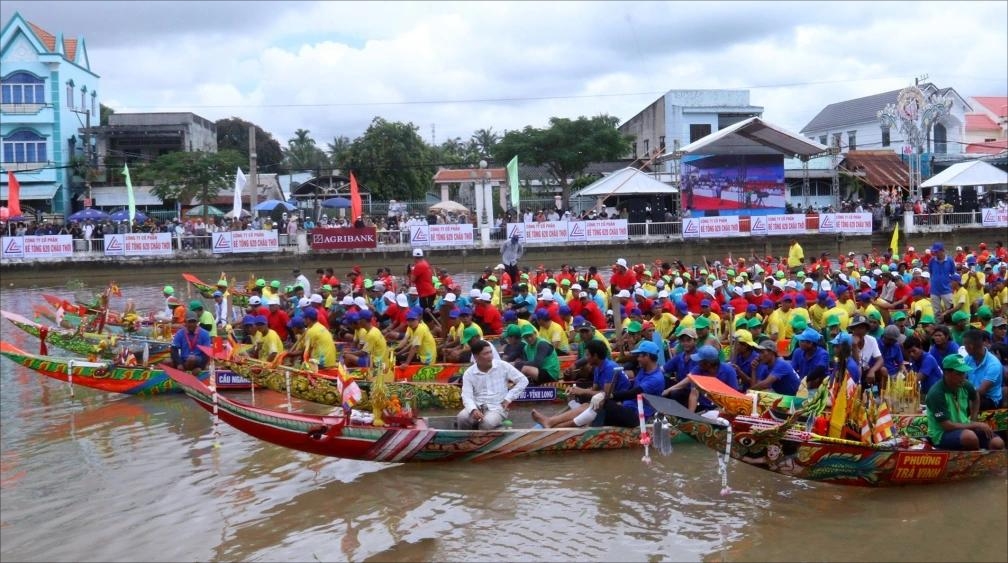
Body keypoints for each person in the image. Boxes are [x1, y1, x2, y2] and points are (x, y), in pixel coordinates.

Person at [531, 339, 629, 428]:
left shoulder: (609, 367)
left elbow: (606, 395)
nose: (585, 358)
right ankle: (552, 424)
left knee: (588, 406)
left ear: (595, 356)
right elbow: (594, 390)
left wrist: (581, 391)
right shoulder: (598, 367)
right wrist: (575, 390)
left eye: (587, 355)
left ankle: (552, 423)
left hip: (622, 405)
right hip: (609, 403)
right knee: (586, 405)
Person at [925, 354, 1004, 451]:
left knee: (998, 443)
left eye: (964, 373)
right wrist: (976, 424)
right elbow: (947, 426)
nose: (963, 377)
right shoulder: (936, 394)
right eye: (958, 374)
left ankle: (988, 464)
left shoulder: (965, 384)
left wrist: (973, 418)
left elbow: (976, 397)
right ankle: (975, 462)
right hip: (942, 434)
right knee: (970, 437)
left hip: (965, 427)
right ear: (946, 373)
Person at [456, 340, 529, 430]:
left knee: (486, 423)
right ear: (476, 357)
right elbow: (467, 395)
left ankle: (498, 430)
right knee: (462, 418)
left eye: (491, 352)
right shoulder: (469, 373)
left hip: (497, 407)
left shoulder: (503, 366)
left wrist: (508, 398)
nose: (490, 356)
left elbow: (523, 380)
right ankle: (465, 441)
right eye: (486, 353)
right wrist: (473, 409)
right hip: (477, 405)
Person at [597, 340, 666, 426]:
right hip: (631, 407)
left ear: (647, 356)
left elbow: (633, 393)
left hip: (641, 415)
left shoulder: (656, 378)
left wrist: (609, 396)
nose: (638, 359)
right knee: (604, 406)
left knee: (606, 405)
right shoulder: (643, 370)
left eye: (640, 356)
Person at [962, 328, 1005, 410]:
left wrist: (961, 397)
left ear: (971, 347)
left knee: (962, 405)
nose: (964, 348)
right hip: (972, 394)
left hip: (989, 399)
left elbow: (981, 392)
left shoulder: (993, 364)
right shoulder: (968, 359)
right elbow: (961, 378)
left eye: (965, 345)